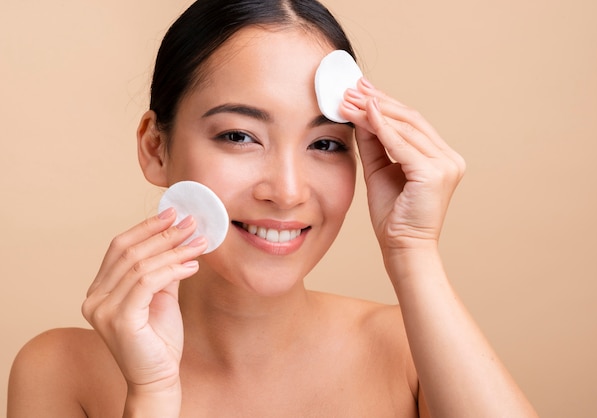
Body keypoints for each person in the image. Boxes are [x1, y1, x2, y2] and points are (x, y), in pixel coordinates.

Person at [7, 0, 538, 417]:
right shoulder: (60, 372)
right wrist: (150, 397)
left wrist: (413, 250)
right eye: (239, 135)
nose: (286, 191)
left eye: (326, 144)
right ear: (155, 147)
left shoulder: (411, 350)